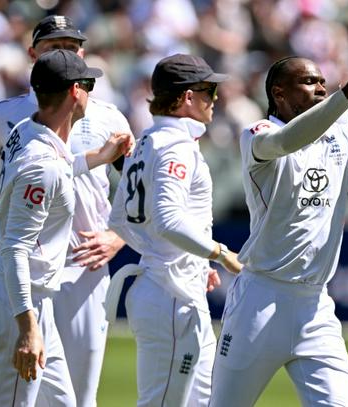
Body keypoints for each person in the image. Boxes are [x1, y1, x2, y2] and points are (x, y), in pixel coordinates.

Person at [207, 34, 348, 404]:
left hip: (315, 306)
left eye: (323, 81)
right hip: (260, 301)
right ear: (278, 93)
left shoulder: (340, 135)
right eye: (309, 81)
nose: (321, 87)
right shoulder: (259, 134)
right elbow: (288, 142)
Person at [0, 15, 133, 407]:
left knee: (69, 401)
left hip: (55, 278)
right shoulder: (16, 128)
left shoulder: (28, 128)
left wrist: (98, 158)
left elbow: (57, 167)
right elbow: (16, 247)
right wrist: (27, 325)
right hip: (23, 289)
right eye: (86, 84)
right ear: (74, 92)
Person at [107, 54, 242, 407]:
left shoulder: (147, 141)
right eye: (209, 91)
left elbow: (120, 220)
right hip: (171, 296)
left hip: (172, 288)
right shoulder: (176, 146)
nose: (215, 99)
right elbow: (167, 219)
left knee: (207, 400)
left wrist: (188, 260)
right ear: (187, 97)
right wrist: (218, 253)